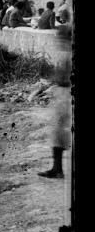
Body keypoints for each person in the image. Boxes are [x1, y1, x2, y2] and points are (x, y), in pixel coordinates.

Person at [39, 50, 72, 179]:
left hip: (65, 93)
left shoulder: (68, 54)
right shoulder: (66, 53)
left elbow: (64, 77)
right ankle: (57, 168)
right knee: (57, 133)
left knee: (59, 132)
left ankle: (57, 170)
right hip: (62, 92)